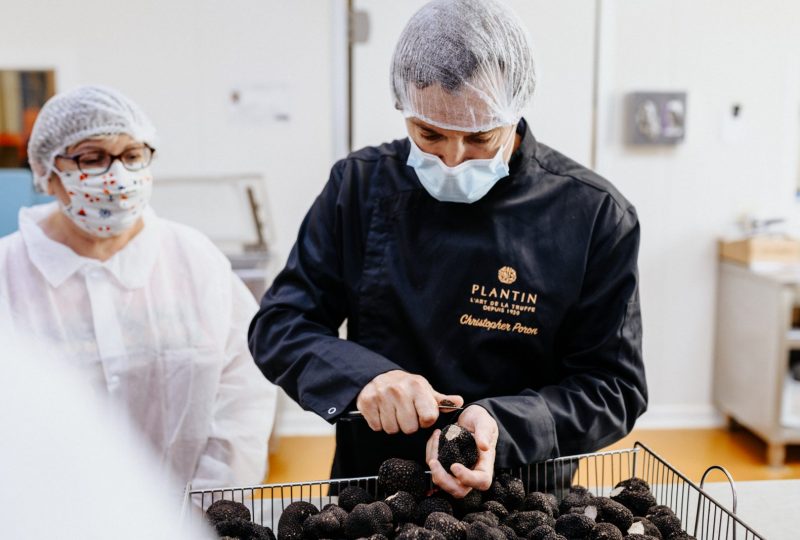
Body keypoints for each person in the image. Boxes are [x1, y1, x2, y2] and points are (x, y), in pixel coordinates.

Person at [249, 0, 647, 498]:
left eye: (480, 137)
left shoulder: (594, 215)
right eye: (430, 134)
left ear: (516, 109)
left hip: (522, 495)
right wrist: (365, 377)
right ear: (404, 105)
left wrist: (505, 424)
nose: (454, 161)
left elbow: (614, 387)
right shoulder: (358, 187)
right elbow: (281, 324)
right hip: (376, 491)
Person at [0, 85, 277, 490]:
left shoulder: (194, 259)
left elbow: (242, 392)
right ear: (47, 172)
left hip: (185, 516)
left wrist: (208, 509)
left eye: (132, 155)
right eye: (91, 158)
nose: (116, 176)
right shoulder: (8, 272)